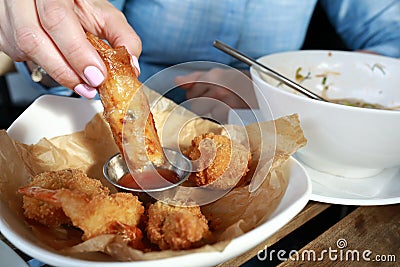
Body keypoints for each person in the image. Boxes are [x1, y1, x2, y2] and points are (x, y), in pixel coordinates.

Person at [1, 0, 399, 117]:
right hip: (109, 117)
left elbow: (391, 33)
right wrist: (54, 49)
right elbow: (76, 28)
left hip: (268, 128)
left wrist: (269, 84)